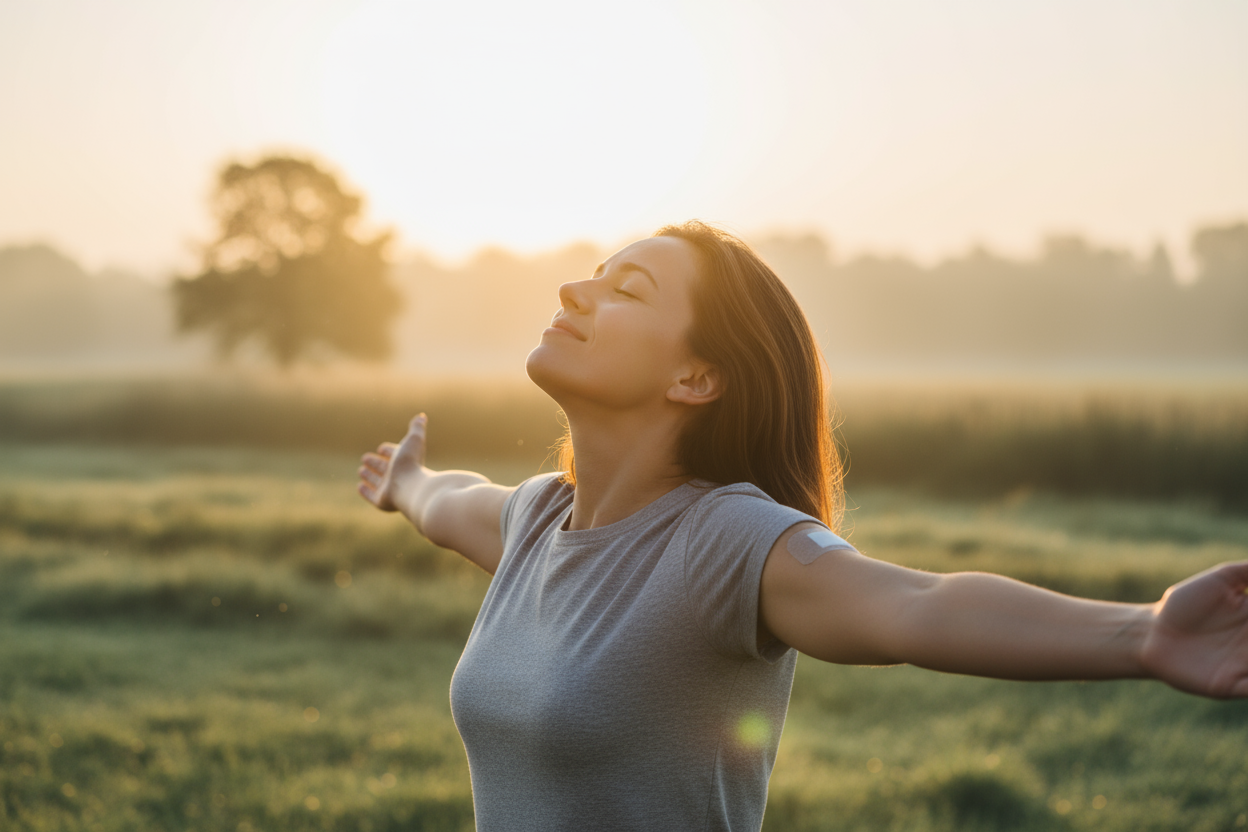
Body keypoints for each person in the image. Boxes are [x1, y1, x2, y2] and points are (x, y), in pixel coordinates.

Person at [357, 221, 1248, 832]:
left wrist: (1143, 632)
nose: (573, 289)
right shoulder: (534, 520)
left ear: (696, 379)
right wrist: (407, 481)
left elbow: (916, 606)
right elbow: (449, 501)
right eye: (593, 272)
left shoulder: (722, 541)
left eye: (624, 287)